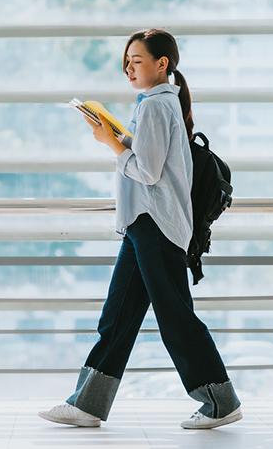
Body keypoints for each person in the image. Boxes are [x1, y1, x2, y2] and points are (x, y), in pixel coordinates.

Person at [38, 29, 242, 430]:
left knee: (176, 318)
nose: (130, 68)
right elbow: (155, 159)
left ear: (162, 64)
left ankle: (221, 401)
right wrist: (120, 136)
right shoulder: (159, 103)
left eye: (138, 60)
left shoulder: (154, 106)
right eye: (127, 61)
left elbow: (147, 171)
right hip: (143, 225)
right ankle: (88, 404)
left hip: (155, 225)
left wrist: (110, 144)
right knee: (118, 317)